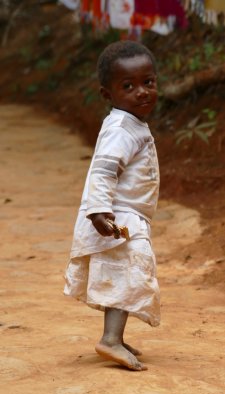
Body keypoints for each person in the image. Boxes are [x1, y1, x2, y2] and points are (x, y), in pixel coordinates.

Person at [64, 40, 160, 371]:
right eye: (129, 86)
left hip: (120, 218)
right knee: (128, 270)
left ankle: (114, 336)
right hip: (118, 220)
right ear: (108, 94)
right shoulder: (122, 128)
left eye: (148, 82)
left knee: (124, 275)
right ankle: (110, 340)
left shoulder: (129, 123)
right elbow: (104, 170)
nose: (142, 92)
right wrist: (98, 210)